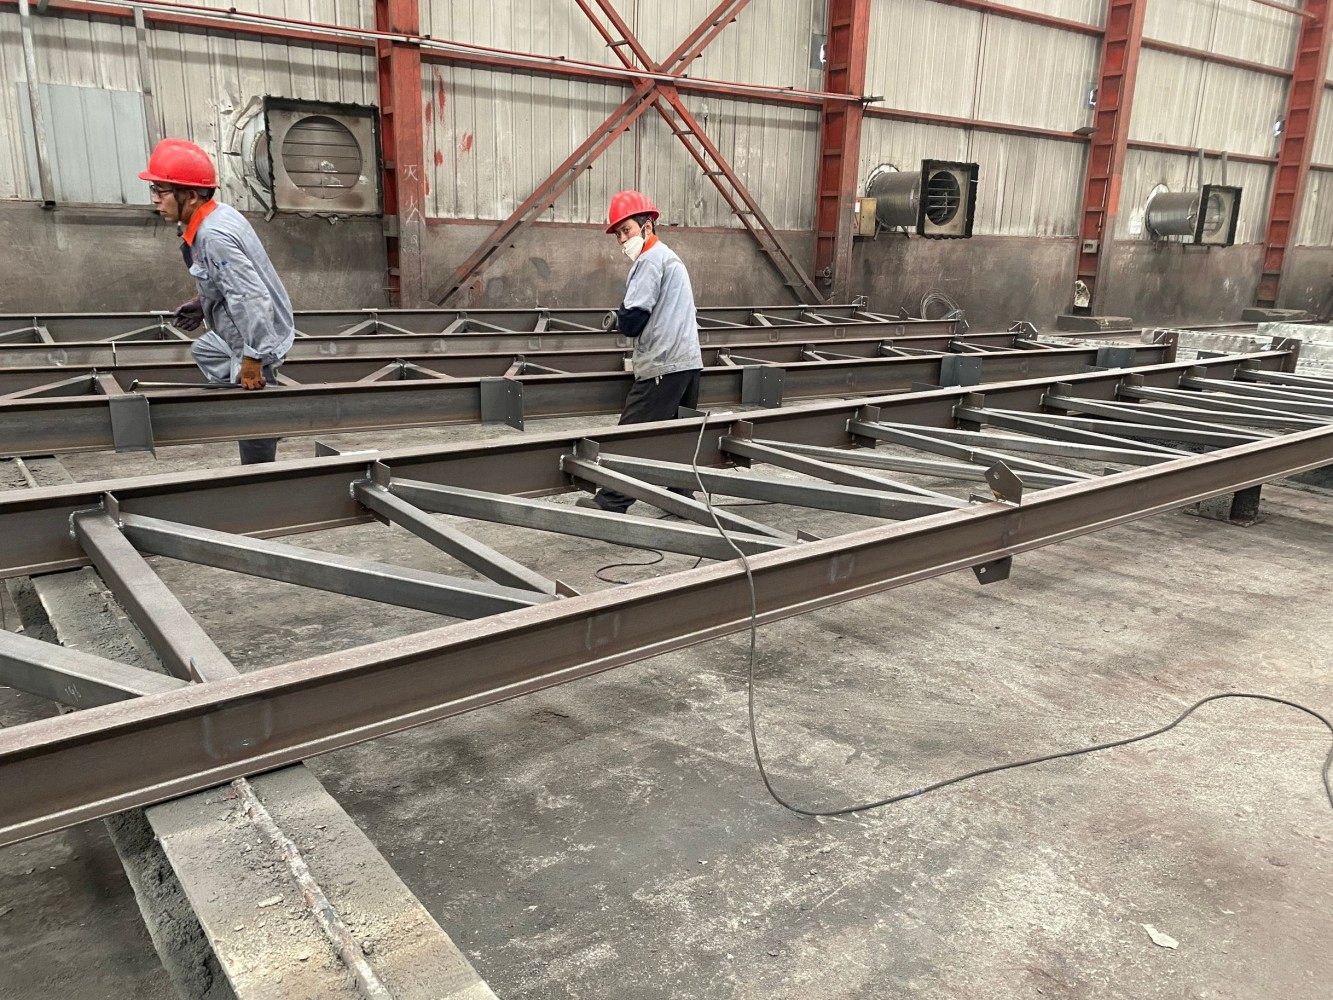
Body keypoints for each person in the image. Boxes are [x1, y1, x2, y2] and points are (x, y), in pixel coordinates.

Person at [140, 138, 295, 465]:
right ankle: (266, 408)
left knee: (252, 420)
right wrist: (202, 303)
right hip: (244, 327)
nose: (155, 199)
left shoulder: (213, 235)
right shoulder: (218, 215)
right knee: (205, 349)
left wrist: (253, 357)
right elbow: (229, 280)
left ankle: (259, 472)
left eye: (160, 191)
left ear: (190, 196)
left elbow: (250, 296)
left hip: (256, 334)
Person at [579, 191, 704, 513]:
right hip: (688, 362)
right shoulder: (670, 257)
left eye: (627, 230)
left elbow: (634, 319)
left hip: (663, 363)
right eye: (618, 234)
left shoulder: (649, 260)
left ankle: (611, 502)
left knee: (633, 435)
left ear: (647, 226)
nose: (622, 239)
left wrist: (620, 318)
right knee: (678, 433)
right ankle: (681, 496)